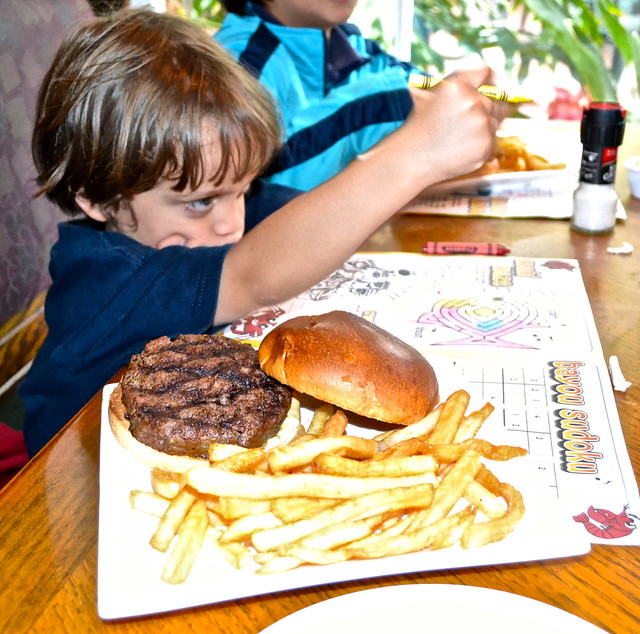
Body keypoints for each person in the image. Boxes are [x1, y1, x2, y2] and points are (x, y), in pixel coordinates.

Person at [20, 8, 501, 457]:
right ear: (95, 196)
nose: (232, 222)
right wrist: (417, 155)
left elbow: (313, 215)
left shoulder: (204, 215)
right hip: (69, 475)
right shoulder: (106, 274)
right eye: (200, 202)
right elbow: (254, 275)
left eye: (242, 191)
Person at [216, 0, 492, 191]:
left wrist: (480, 95)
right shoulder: (230, 70)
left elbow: (429, 89)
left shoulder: (351, 46)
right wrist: (376, 105)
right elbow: (249, 193)